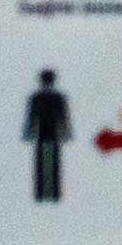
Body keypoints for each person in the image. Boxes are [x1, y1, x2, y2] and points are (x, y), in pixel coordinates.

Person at [24, 68, 74, 205]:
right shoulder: (56, 97)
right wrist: (67, 133)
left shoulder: (37, 97)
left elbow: (31, 117)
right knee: (52, 162)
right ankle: (52, 193)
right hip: (52, 133)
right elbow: (63, 117)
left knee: (42, 162)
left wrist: (28, 132)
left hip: (43, 133)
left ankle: (42, 193)